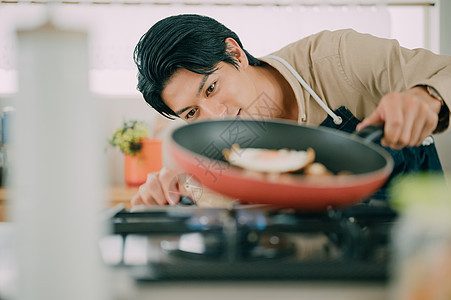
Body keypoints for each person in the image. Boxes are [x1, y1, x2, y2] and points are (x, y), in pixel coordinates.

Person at [131, 14, 450, 207]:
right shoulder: (216, 144)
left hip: (420, 236)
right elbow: (207, 198)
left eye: (212, 88)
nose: (216, 116)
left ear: (235, 53)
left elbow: (443, 71)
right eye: (191, 113)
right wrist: (172, 193)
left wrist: (426, 97)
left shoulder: (335, 58)